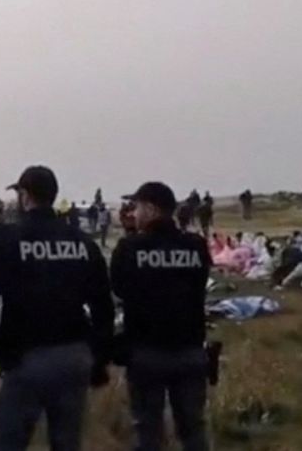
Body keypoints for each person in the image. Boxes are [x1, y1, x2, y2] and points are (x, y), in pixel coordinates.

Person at [0, 165, 114, 451]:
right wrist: (98, 359)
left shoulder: (8, 239)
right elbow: (103, 307)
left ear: (25, 196)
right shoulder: (82, 242)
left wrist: (3, 353)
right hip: (74, 357)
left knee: (8, 442)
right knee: (66, 442)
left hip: (26, 359)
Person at [110, 182, 210, 451]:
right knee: (193, 428)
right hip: (190, 350)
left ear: (152, 209)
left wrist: (133, 238)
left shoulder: (129, 248)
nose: (133, 213)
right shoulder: (196, 245)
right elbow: (199, 283)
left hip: (146, 353)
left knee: (148, 430)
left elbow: (119, 288)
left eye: (138, 207)